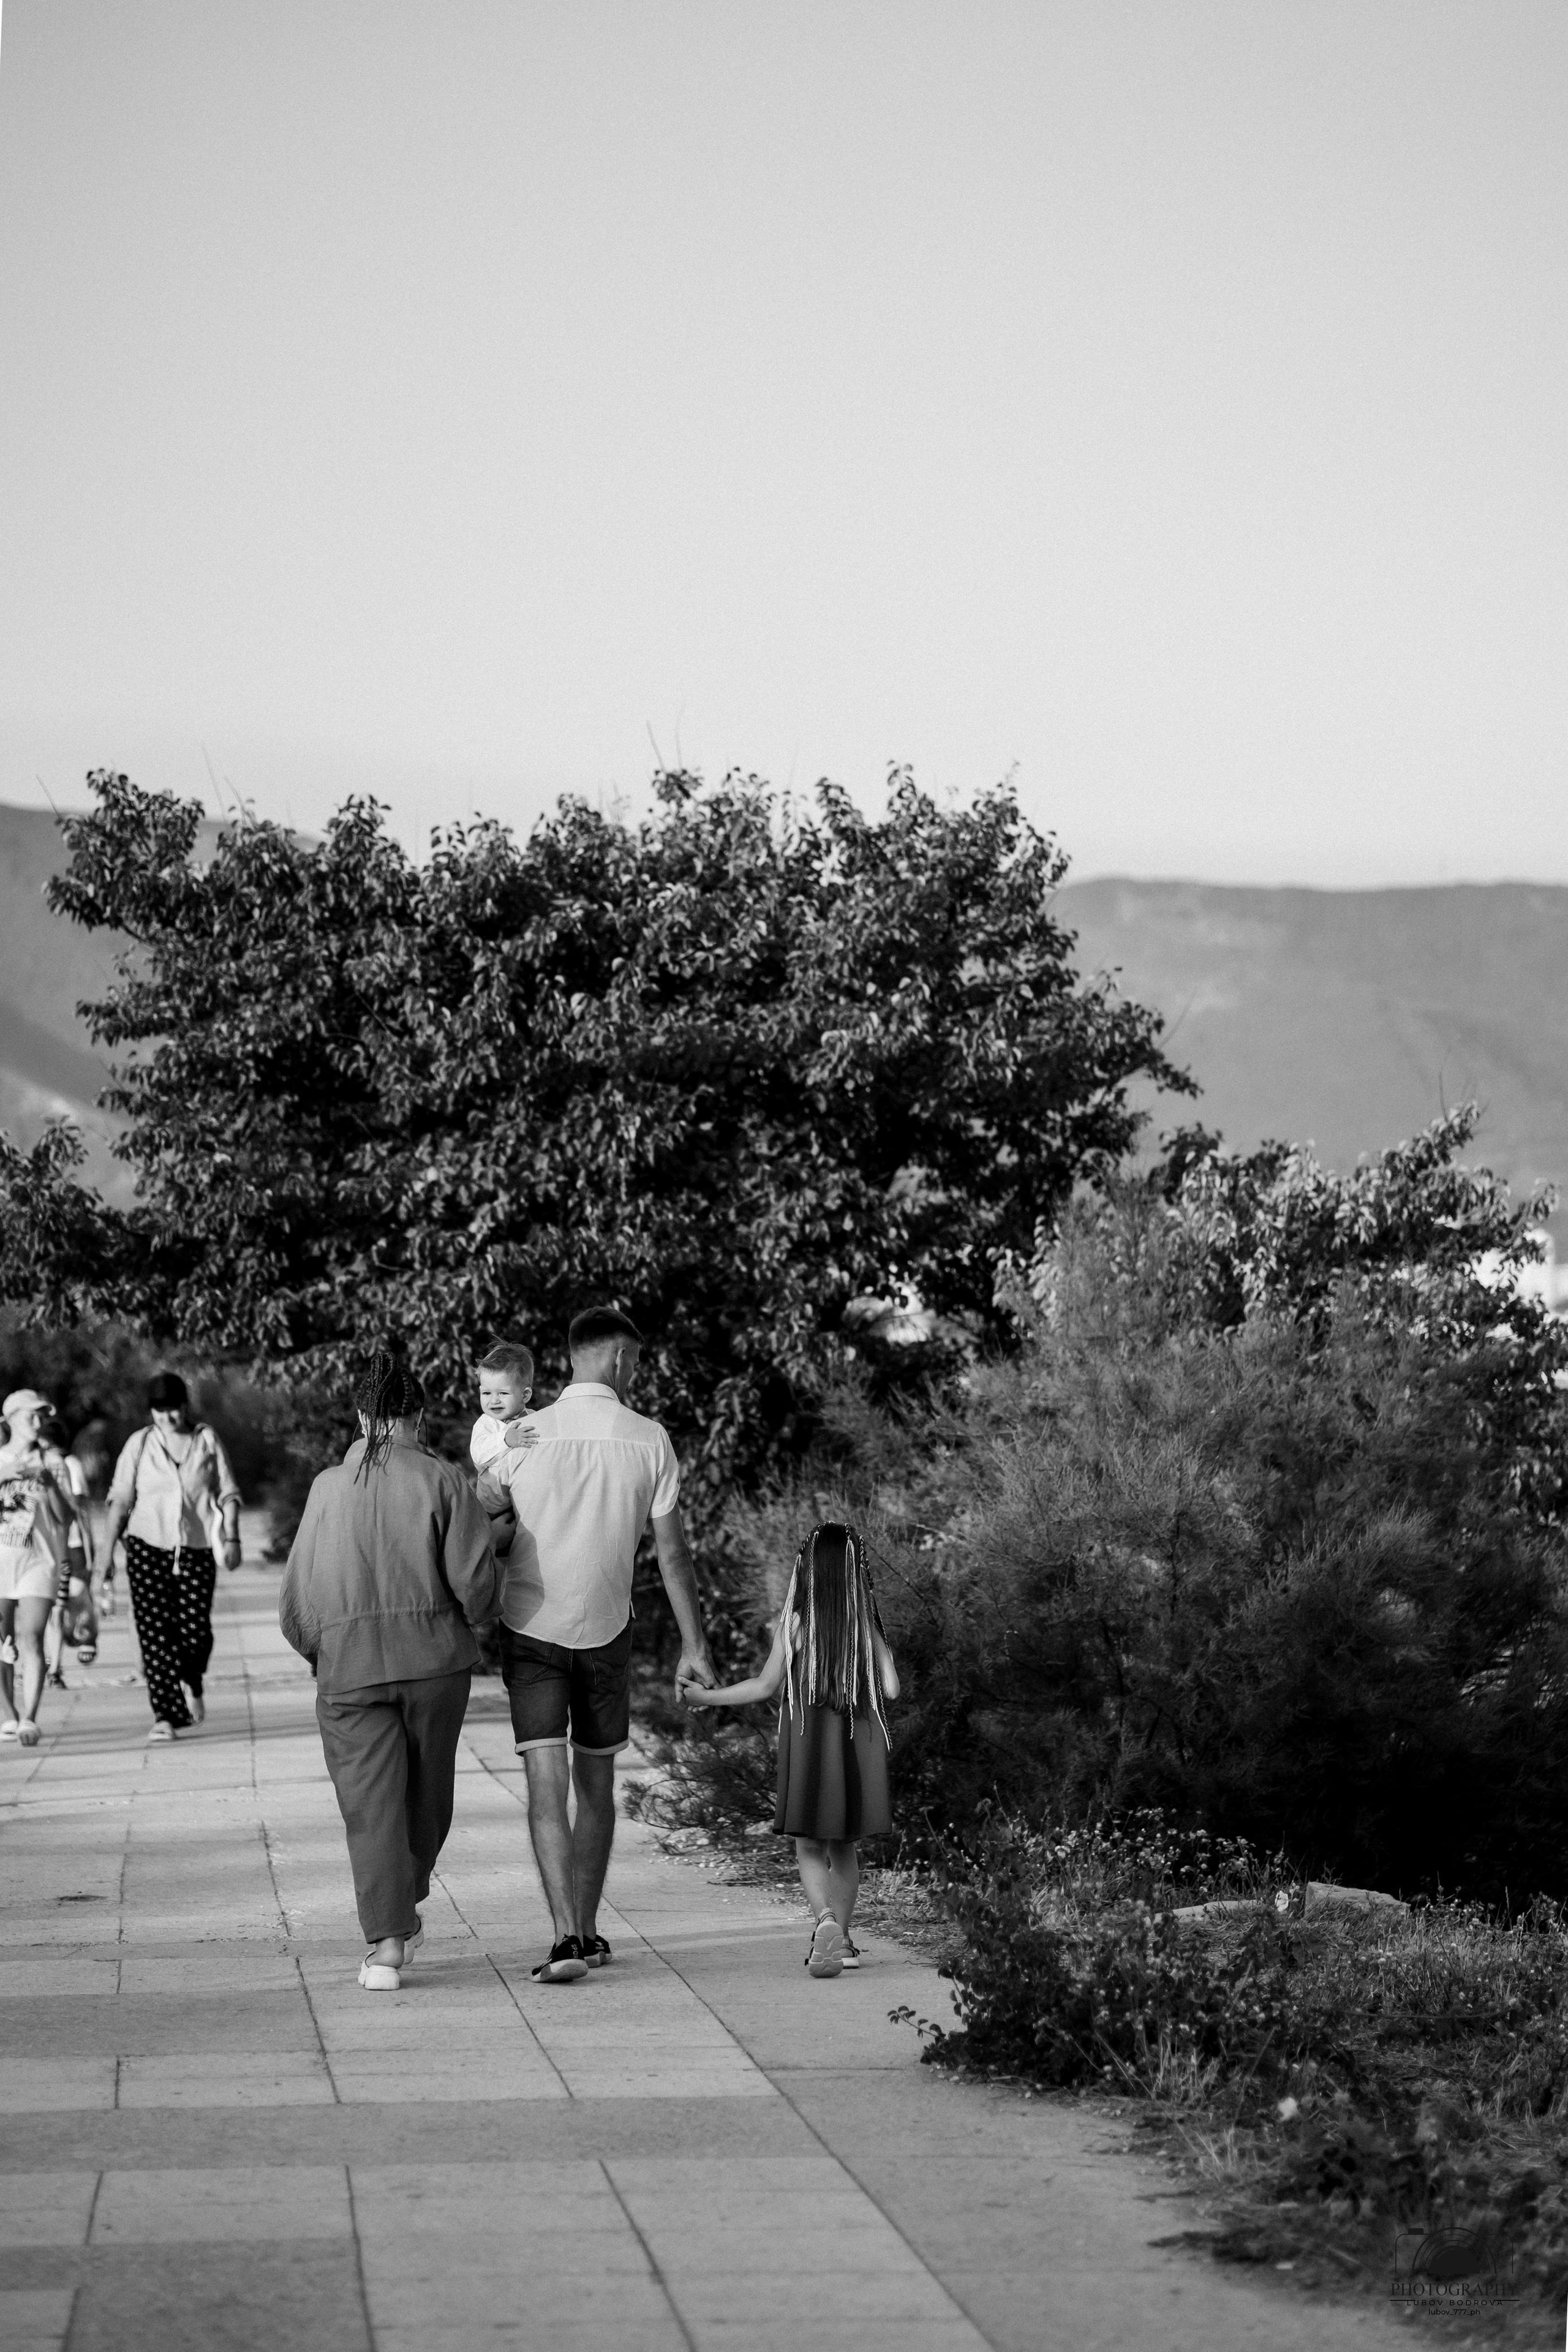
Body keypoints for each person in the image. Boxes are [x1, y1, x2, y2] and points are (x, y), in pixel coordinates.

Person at [478, 1305, 716, 1982]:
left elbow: (479, 1512)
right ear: (615, 1360)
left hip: (529, 1627)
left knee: (545, 1781)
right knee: (597, 1781)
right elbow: (673, 1556)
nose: (635, 1374)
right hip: (608, 1630)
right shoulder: (650, 1440)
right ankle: (584, 1930)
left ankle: (562, 1939)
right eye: (635, 1362)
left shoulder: (523, 1435)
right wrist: (692, 1647)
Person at [279, 1351, 499, 1991]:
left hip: (348, 1672)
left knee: (371, 1811)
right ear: (418, 1416)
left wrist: (324, 1652)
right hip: (436, 1664)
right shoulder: (442, 1480)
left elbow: (297, 1600)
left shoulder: (325, 1488)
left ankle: (387, 1942)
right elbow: (475, 1586)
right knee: (427, 1802)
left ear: (359, 1416)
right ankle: (403, 1901)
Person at [680, 1521, 898, 1979]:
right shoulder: (864, 1625)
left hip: (809, 1745)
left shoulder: (797, 1624)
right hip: (855, 1747)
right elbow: (892, 1690)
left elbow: (764, 1686)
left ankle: (823, 1923)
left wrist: (705, 1698)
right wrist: (880, 1651)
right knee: (845, 1849)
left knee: (808, 1847)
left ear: (809, 1570)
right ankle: (845, 1939)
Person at [100, 1373, 243, 1743]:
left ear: (185, 1406)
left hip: (196, 1548)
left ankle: (191, 1680)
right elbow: (120, 1498)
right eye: (159, 1411)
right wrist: (105, 1553)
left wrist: (232, 1536)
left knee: (195, 1631)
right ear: (152, 1411)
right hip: (147, 1547)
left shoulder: (206, 1440)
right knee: (154, 1633)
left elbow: (227, 1491)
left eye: (174, 1409)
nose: (167, 1417)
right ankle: (166, 1714)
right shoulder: (140, 1444)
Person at [0, 1390, 89, 1748]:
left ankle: (29, 1717)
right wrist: (7, 1473)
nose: (39, 1423)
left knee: (32, 1636)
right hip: (1, 1560)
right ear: (11, 1420)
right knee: (2, 1641)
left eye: (42, 1416)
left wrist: (50, 1484)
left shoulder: (54, 1462)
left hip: (40, 1561)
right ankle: (8, 1714)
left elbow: (68, 1518)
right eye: (31, 1416)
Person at [470, 1338, 533, 1556]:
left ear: (525, 1395)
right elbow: (479, 1454)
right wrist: (506, 1439)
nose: (493, 1401)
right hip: (491, 1506)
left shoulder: (534, 1419)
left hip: (525, 1501)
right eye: (486, 1393)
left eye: (503, 1393)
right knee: (491, 1551)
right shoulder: (486, 1424)